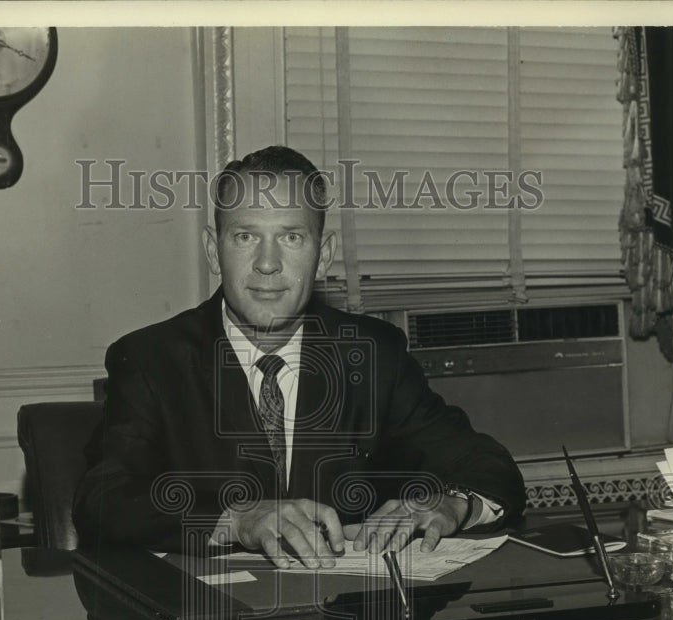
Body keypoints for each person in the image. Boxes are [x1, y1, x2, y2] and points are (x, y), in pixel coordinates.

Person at [73, 146, 525, 567]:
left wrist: (450, 503)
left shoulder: (372, 356)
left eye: (291, 238)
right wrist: (233, 519)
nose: (267, 264)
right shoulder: (152, 360)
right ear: (214, 251)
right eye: (246, 235)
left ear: (323, 256)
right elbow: (102, 499)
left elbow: (487, 465)